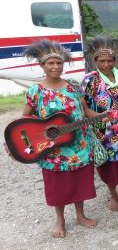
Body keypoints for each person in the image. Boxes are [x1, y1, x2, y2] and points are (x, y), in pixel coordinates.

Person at [22, 40, 102, 238]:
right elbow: (25, 120)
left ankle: (80, 215)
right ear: (42, 65)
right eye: (51, 63)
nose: (56, 67)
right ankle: (60, 219)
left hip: (79, 143)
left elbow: (86, 112)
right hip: (52, 148)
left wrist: (104, 115)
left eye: (59, 63)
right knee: (57, 185)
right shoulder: (36, 91)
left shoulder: (73, 87)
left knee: (80, 180)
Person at [82, 36, 118, 211]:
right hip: (104, 131)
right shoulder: (89, 80)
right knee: (109, 165)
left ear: (115, 60)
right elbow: (84, 107)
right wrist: (99, 117)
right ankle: (113, 196)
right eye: (102, 61)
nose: (106, 64)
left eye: (109, 61)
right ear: (95, 61)